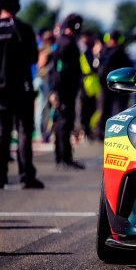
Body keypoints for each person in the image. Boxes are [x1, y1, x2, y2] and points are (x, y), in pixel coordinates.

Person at [0, 0, 43, 189]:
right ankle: (27, 176)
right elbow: (34, 58)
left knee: (0, 133)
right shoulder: (23, 29)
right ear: (16, 4)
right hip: (21, 87)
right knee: (24, 131)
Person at [50, 13, 86, 169]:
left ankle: (61, 157)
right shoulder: (67, 44)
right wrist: (58, 91)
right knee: (65, 122)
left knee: (61, 122)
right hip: (65, 89)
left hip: (62, 88)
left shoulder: (61, 42)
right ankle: (65, 158)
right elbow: (61, 70)